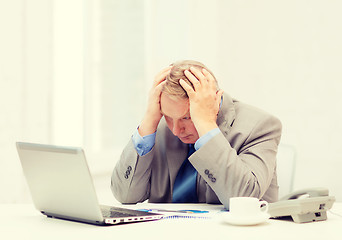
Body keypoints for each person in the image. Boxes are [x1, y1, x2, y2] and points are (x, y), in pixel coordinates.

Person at [111, 60, 282, 209]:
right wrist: (149, 120)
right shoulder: (159, 126)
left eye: (187, 117)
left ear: (213, 102)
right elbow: (125, 195)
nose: (176, 130)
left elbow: (244, 199)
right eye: (169, 117)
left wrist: (206, 125)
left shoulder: (261, 126)